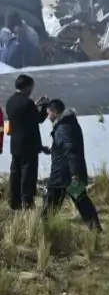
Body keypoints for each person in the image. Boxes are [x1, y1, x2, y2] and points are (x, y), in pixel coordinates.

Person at [43, 100, 99, 231]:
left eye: (49, 113)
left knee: (51, 201)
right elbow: (66, 149)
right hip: (69, 173)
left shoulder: (63, 128)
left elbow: (70, 150)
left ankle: (43, 229)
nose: (48, 117)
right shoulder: (69, 124)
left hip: (63, 175)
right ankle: (95, 229)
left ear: (54, 112)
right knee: (81, 201)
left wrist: (75, 175)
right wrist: (53, 150)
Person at [5, 74, 43, 211]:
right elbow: (38, 119)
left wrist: (34, 105)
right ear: (27, 87)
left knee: (15, 173)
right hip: (29, 144)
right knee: (28, 174)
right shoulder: (27, 103)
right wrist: (43, 107)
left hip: (15, 144)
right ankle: (27, 201)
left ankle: (14, 202)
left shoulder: (9, 101)